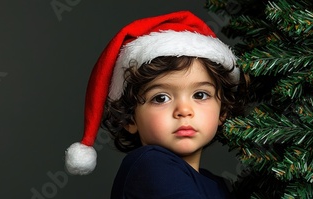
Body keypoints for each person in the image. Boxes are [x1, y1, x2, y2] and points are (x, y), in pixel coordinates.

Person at [64, 10, 247, 198]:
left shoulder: (216, 184)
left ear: (223, 110)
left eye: (200, 95)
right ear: (130, 118)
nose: (184, 110)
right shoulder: (152, 166)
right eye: (161, 98)